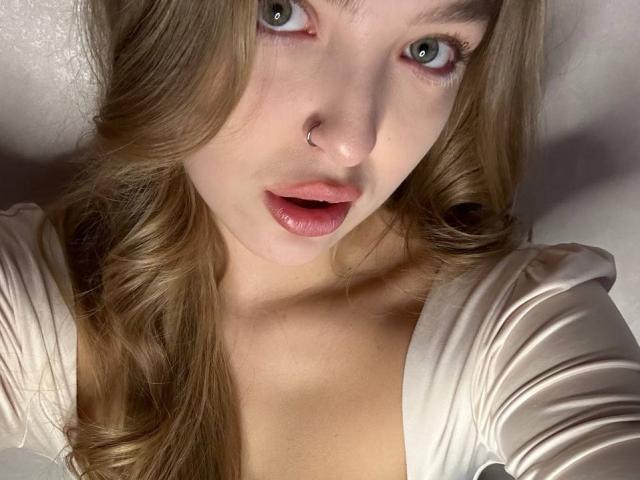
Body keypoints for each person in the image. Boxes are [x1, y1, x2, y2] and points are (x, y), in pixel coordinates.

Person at [1, 0, 639, 479]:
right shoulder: (31, 308)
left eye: (429, 51)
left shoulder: (518, 331)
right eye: (281, 13)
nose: (352, 141)